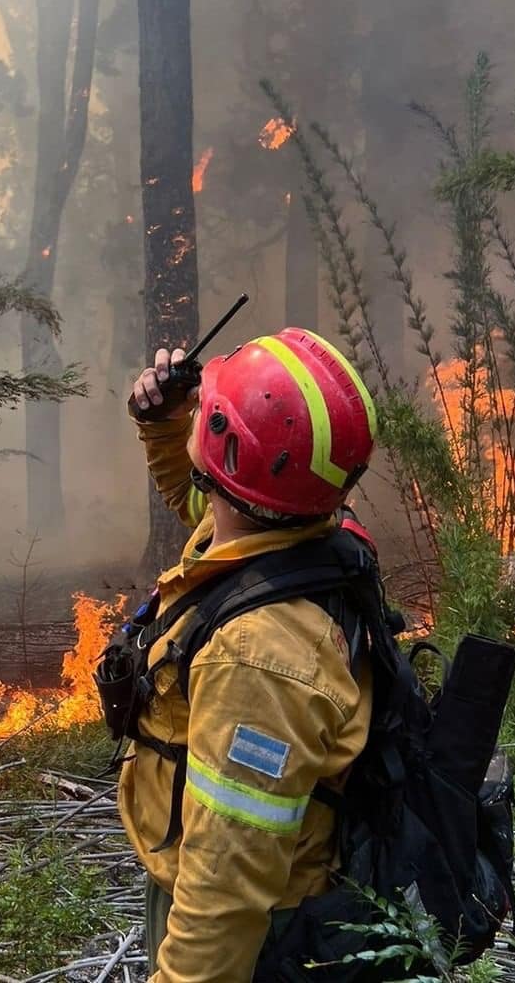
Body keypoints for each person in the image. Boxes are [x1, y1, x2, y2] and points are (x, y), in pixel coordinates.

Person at [121, 328, 377, 982]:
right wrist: (164, 427)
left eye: (206, 408)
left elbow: (226, 895)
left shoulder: (255, 664)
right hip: (268, 900)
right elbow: (205, 506)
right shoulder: (303, 530)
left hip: (259, 944)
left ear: (225, 456)